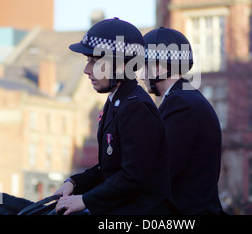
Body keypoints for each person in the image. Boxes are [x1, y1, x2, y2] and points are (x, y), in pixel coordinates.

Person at [53, 17, 177, 215]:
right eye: (88, 61)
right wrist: (74, 183)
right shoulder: (117, 101)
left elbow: (134, 177)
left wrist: (85, 200)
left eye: (95, 62)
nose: (87, 70)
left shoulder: (136, 108)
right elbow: (109, 168)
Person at [143, 27, 226, 215]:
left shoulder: (181, 104)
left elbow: (162, 171)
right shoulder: (186, 97)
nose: (141, 74)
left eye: (144, 65)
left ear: (158, 67)